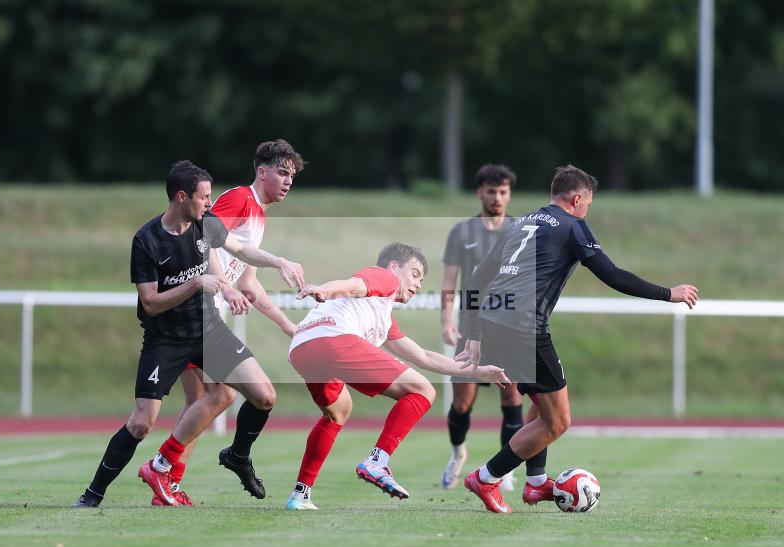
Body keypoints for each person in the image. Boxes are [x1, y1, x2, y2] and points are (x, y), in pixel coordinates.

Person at [459, 165, 698, 513]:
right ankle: (486, 477)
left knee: (543, 406)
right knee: (559, 421)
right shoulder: (573, 225)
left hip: (495, 322)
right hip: (523, 327)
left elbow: (478, 277)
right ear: (576, 199)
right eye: (588, 204)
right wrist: (668, 293)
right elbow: (613, 275)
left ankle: (537, 484)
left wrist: (473, 334)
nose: (588, 211)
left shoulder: (520, 222)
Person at [72, 160, 304, 508]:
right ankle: (92, 495)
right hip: (166, 339)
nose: (211, 204)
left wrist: (268, 267)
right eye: (204, 197)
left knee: (264, 396)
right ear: (182, 197)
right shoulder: (147, 241)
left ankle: (174, 466)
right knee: (141, 422)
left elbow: (237, 252)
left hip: (208, 329)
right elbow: (150, 303)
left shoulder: (205, 224)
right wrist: (196, 284)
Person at [284, 243, 509, 510]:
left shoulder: (380, 314)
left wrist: (478, 371)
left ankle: (300, 495)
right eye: (414, 274)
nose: (418, 284)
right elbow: (354, 283)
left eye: (421, 280)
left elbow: (423, 357)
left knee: (338, 412)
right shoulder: (385, 278)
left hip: (302, 348)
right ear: (393, 267)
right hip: (333, 340)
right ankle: (377, 462)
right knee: (423, 391)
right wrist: (324, 289)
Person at [155, 140, 305, 506]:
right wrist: (224, 284)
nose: (287, 182)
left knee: (205, 399)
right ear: (262, 171)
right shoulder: (240, 199)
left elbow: (248, 283)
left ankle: (167, 483)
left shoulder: (260, 217)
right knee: (224, 396)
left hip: (206, 311)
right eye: (282, 173)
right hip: (196, 308)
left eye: (292, 176)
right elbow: (203, 238)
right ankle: (163, 471)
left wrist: (290, 327)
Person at [441, 164, 532, 495]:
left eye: (503, 191)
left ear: (509, 194)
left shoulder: (522, 230)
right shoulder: (462, 233)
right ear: (479, 192)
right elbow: (450, 281)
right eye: (491, 191)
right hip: (471, 324)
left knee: (511, 397)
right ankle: (457, 453)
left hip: (508, 327)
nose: (497, 197)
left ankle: (504, 470)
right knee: (462, 402)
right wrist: (446, 319)